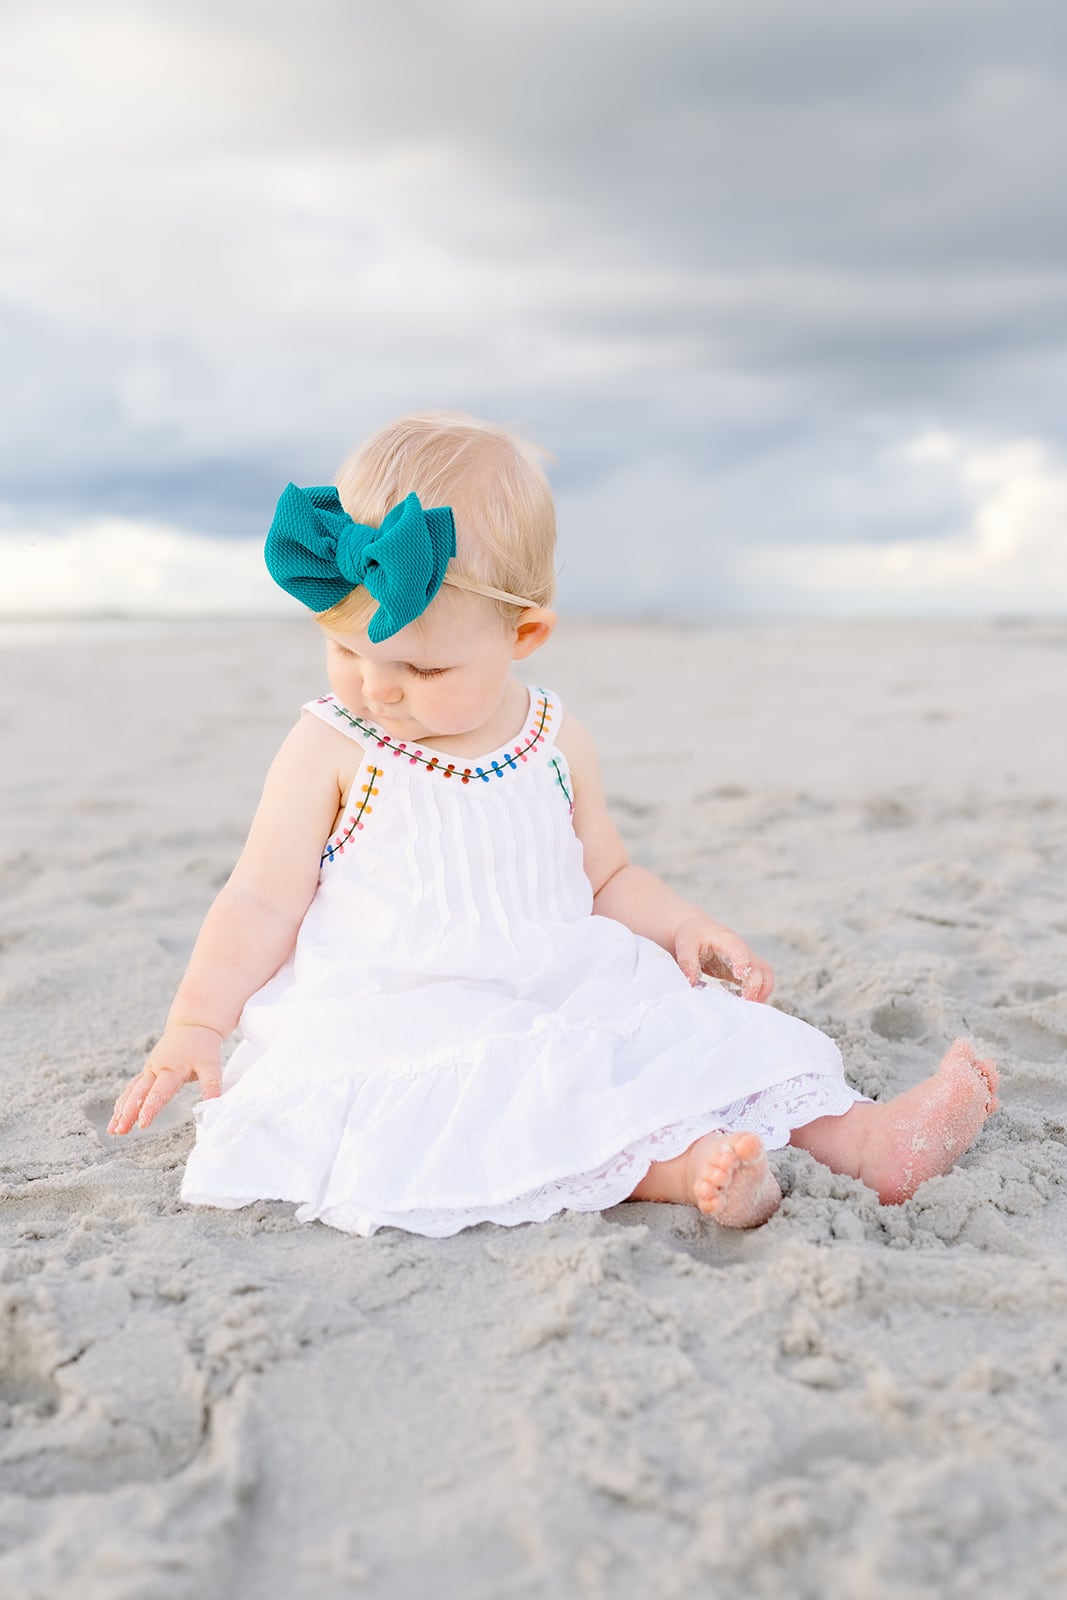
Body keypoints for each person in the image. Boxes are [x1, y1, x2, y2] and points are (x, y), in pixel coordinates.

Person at [108, 412, 999, 1237]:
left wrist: (685, 927)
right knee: (519, 1090)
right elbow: (263, 898)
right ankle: (698, 1172)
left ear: (523, 636)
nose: (377, 688)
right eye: (347, 649)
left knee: (704, 1034)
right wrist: (195, 1020)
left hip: (558, 974)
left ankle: (868, 1142)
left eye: (418, 666)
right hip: (409, 999)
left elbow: (606, 877)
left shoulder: (554, 736)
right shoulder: (332, 746)